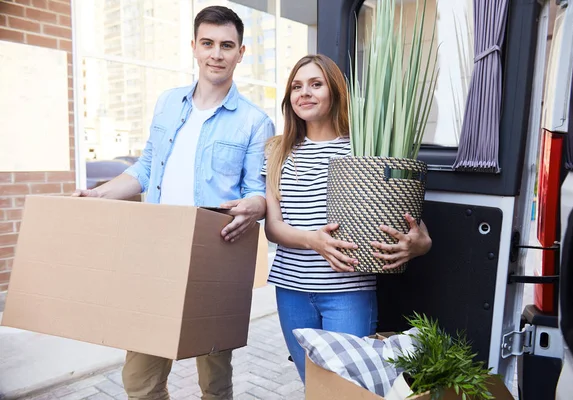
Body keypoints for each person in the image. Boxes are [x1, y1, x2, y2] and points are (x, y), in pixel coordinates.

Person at [73, 6, 274, 400]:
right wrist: (99, 195)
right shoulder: (168, 103)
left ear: (241, 52)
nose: (217, 53)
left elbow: (257, 189)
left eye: (226, 45)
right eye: (208, 43)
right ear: (195, 48)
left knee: (214, 382)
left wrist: (256, 206)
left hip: (215, 257)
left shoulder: (254, 121)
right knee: (140, 379)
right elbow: (146, 168)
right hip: (157, 254)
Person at [263, 54, 432, 382]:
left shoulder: (361, 149)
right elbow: (273, 227)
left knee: (350, 389)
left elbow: (412, 225)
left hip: (348, 291)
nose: (304, 93)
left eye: (316, 84)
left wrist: (420, 243)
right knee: (312, 385)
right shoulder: (277, 151)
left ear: (335, 91)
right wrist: (313, 240)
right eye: (296, 86)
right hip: (291, 290)